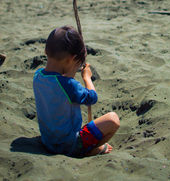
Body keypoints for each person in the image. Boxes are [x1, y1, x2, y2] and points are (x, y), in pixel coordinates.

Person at [33, 26, 120, 158]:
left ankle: (88, 146)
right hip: (70, 145)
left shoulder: (38, 76)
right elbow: (92, 97)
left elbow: (60, 88)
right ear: (72, 59)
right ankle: (91, 149)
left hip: (48, 142)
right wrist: (87, 77)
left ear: (46, 50)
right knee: (113, 119)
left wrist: (70, 72)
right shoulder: (68, 85)